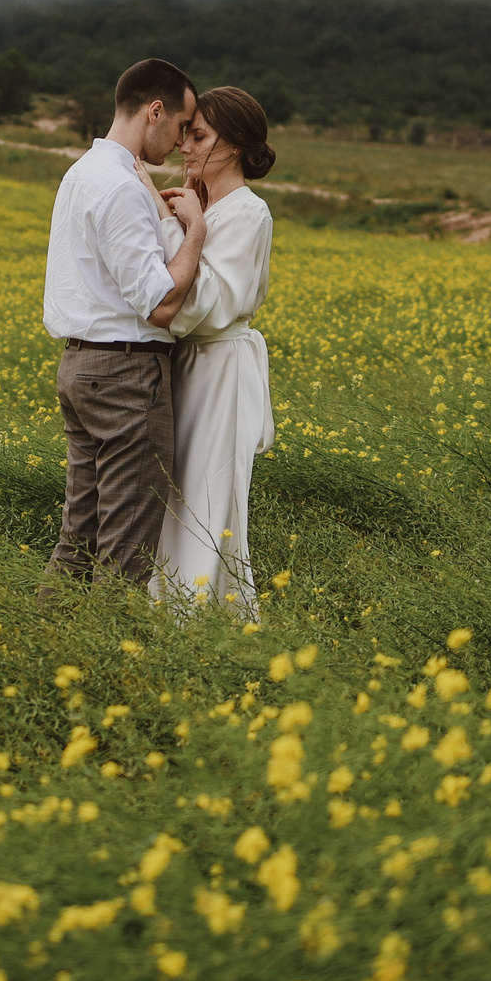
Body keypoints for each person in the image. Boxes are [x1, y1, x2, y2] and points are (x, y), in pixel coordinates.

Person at [41, 58, 206, 589]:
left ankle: (44, 651)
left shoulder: (82, 172)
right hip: (126, 376)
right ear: (154, 111)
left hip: (81, 366)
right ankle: (108, 666)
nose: (183, 143)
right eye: (182, 126)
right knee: (127, 553)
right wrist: (194, 235)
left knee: (79, 538)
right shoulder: (119, 186)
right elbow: (159, 305)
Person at [149, 87, 277, 616]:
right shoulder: (205, 205)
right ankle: (179, 611)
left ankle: (194, 616)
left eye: (199, 136)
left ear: (236, 144)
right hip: (188, 366)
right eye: (185, 135)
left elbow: (200, 303)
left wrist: (177, 225)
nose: (186, 147)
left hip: (220, 371)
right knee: (176, 498)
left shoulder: (248, 213)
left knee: (209, 497)